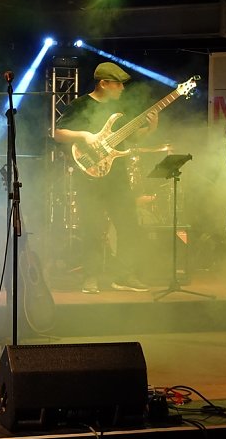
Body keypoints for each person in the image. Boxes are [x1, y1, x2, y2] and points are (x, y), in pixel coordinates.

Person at [53, 62, 158, 294]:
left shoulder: (121, 110)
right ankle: (90, 277)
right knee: (91, 227)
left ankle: (124, 275)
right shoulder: (81, 105)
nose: (122, 88)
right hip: (89, 175)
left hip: (117, 176)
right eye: (118, 83)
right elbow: (58, 133)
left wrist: (149, 129)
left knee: (129, 225)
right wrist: (84, 135)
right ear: (104, 83)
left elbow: (130, 140)